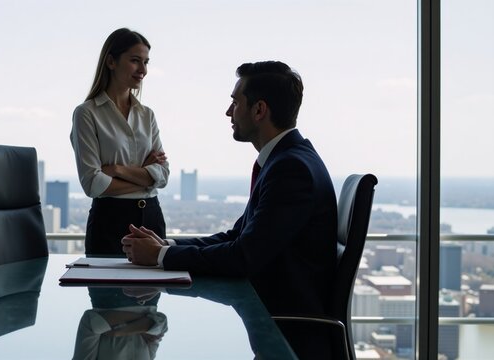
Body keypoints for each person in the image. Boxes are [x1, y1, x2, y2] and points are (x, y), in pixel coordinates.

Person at [120, 61, 338, 359]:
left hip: (286, 332)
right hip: (269, 318)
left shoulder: (291, 168)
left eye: (235, 102)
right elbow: (237, 237)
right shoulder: (286, 160)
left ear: (259, 110)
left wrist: (159, 257)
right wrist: (166, 246)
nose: (228, 112)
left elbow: (243, 257)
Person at [71, 28, 169, 256]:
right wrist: (146, 177)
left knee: (152, 290)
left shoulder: (147, 115)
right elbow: (93, 184)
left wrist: (116, 170)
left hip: (151, 219)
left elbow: (163, 175)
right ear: (111, 61)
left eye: (146, 62)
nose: (143, 70)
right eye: (135, 61)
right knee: (106, 291)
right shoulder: (86, 114)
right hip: (109, 220)